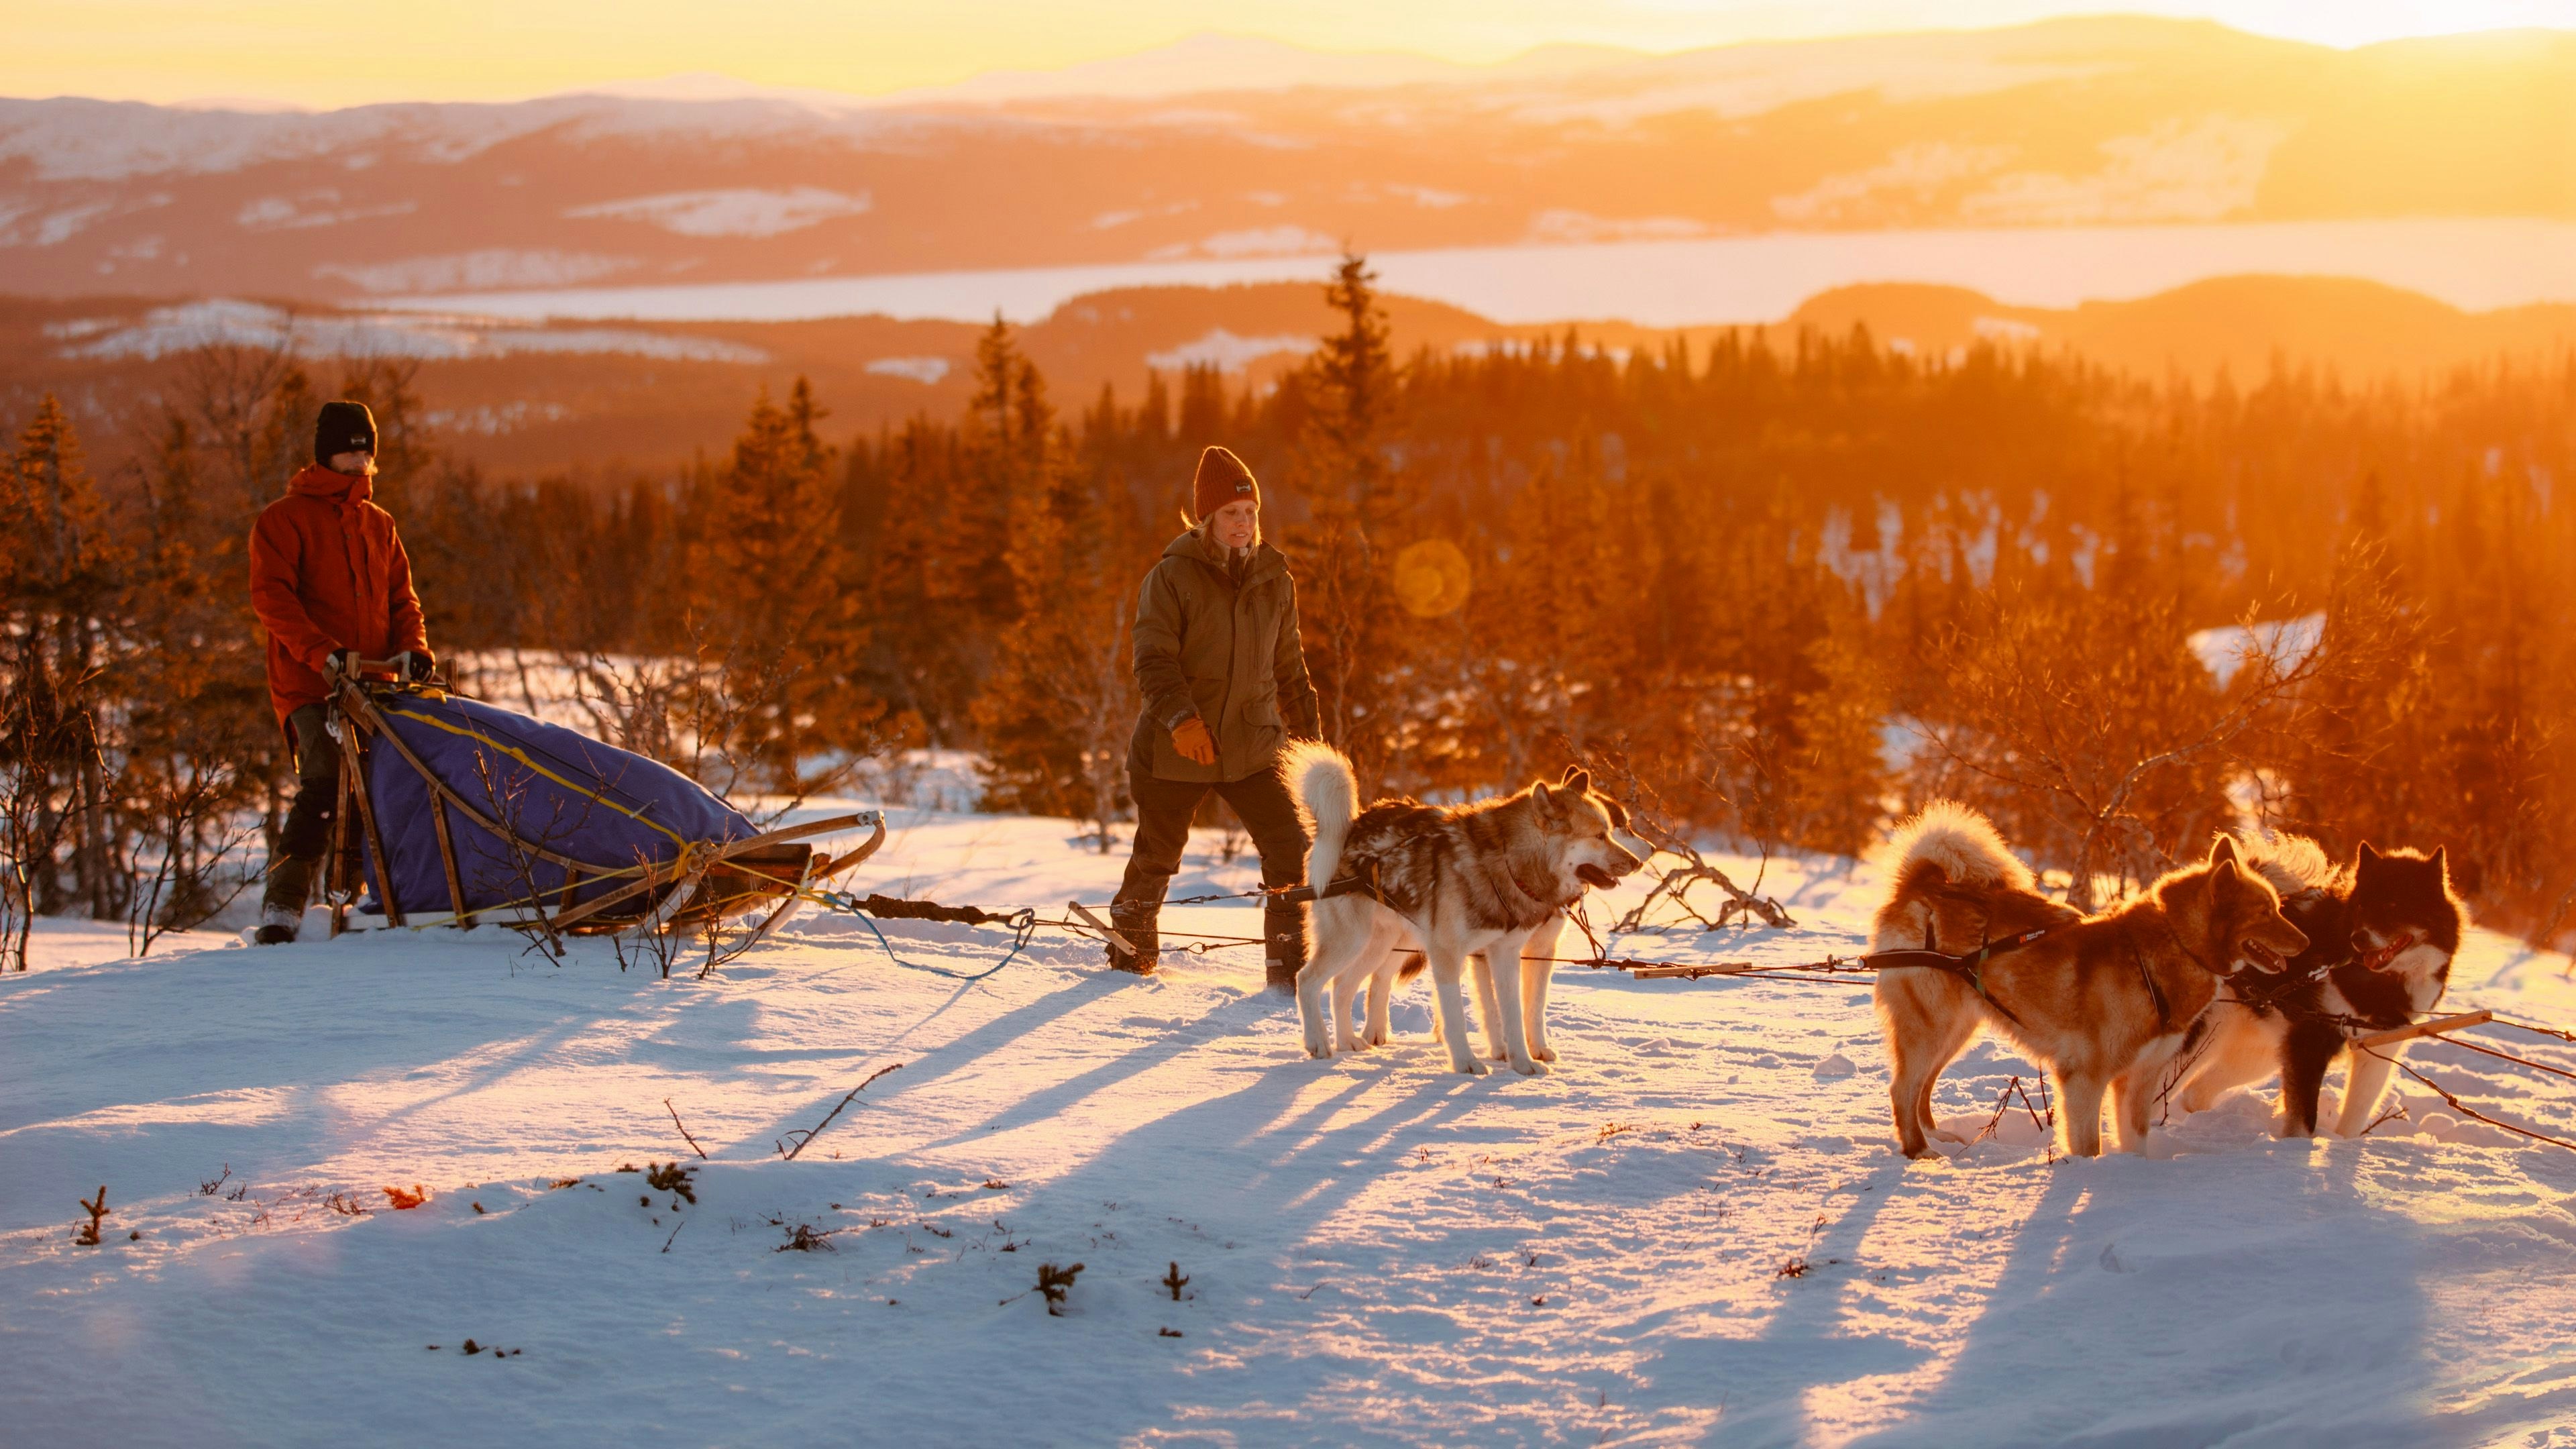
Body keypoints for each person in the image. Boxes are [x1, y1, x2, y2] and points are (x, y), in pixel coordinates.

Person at [1113, 445, 1321, 989]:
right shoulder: (1172, 577)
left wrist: (1315, 753)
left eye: (1250, 511)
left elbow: (1290, 669)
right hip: (1176, 746)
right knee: (1157, 858)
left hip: (1253, 745)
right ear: (1206, 517)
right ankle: (1129, 959)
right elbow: (1153, 659)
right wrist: (1182, 721)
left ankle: (1289, 974)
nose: (1243, 522)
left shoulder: (1275, 578)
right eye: (1231, 512)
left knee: (1291, 849)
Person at [246, 400, 435, 944]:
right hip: (309, 683)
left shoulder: (380, 524)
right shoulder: (283, 519)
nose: (358, 461)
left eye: (365, 452)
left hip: (374, 683)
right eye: (349, 451)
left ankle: (349, 901)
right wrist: (321, 653)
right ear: (324, 454)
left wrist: (414, 648)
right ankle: (283, 906)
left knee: (374, 790)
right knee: (326, 782)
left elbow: (403, 601)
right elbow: (273, 599)